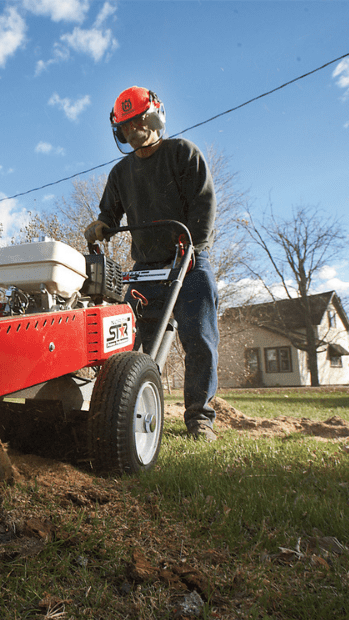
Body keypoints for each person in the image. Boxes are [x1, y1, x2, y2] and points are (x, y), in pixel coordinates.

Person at [85, 86, 219, 441]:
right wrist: (100, 226)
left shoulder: (183, 154)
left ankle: (199, 419)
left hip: (188, 263)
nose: (131, 132)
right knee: (124, 343)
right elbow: (108, 216)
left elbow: (203, 208)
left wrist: (190, 249)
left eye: (137, 122)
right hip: (145, 271)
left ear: (155, 116)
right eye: (125, 127)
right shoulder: (120, 173)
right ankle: (119, 408)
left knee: (200, 341)